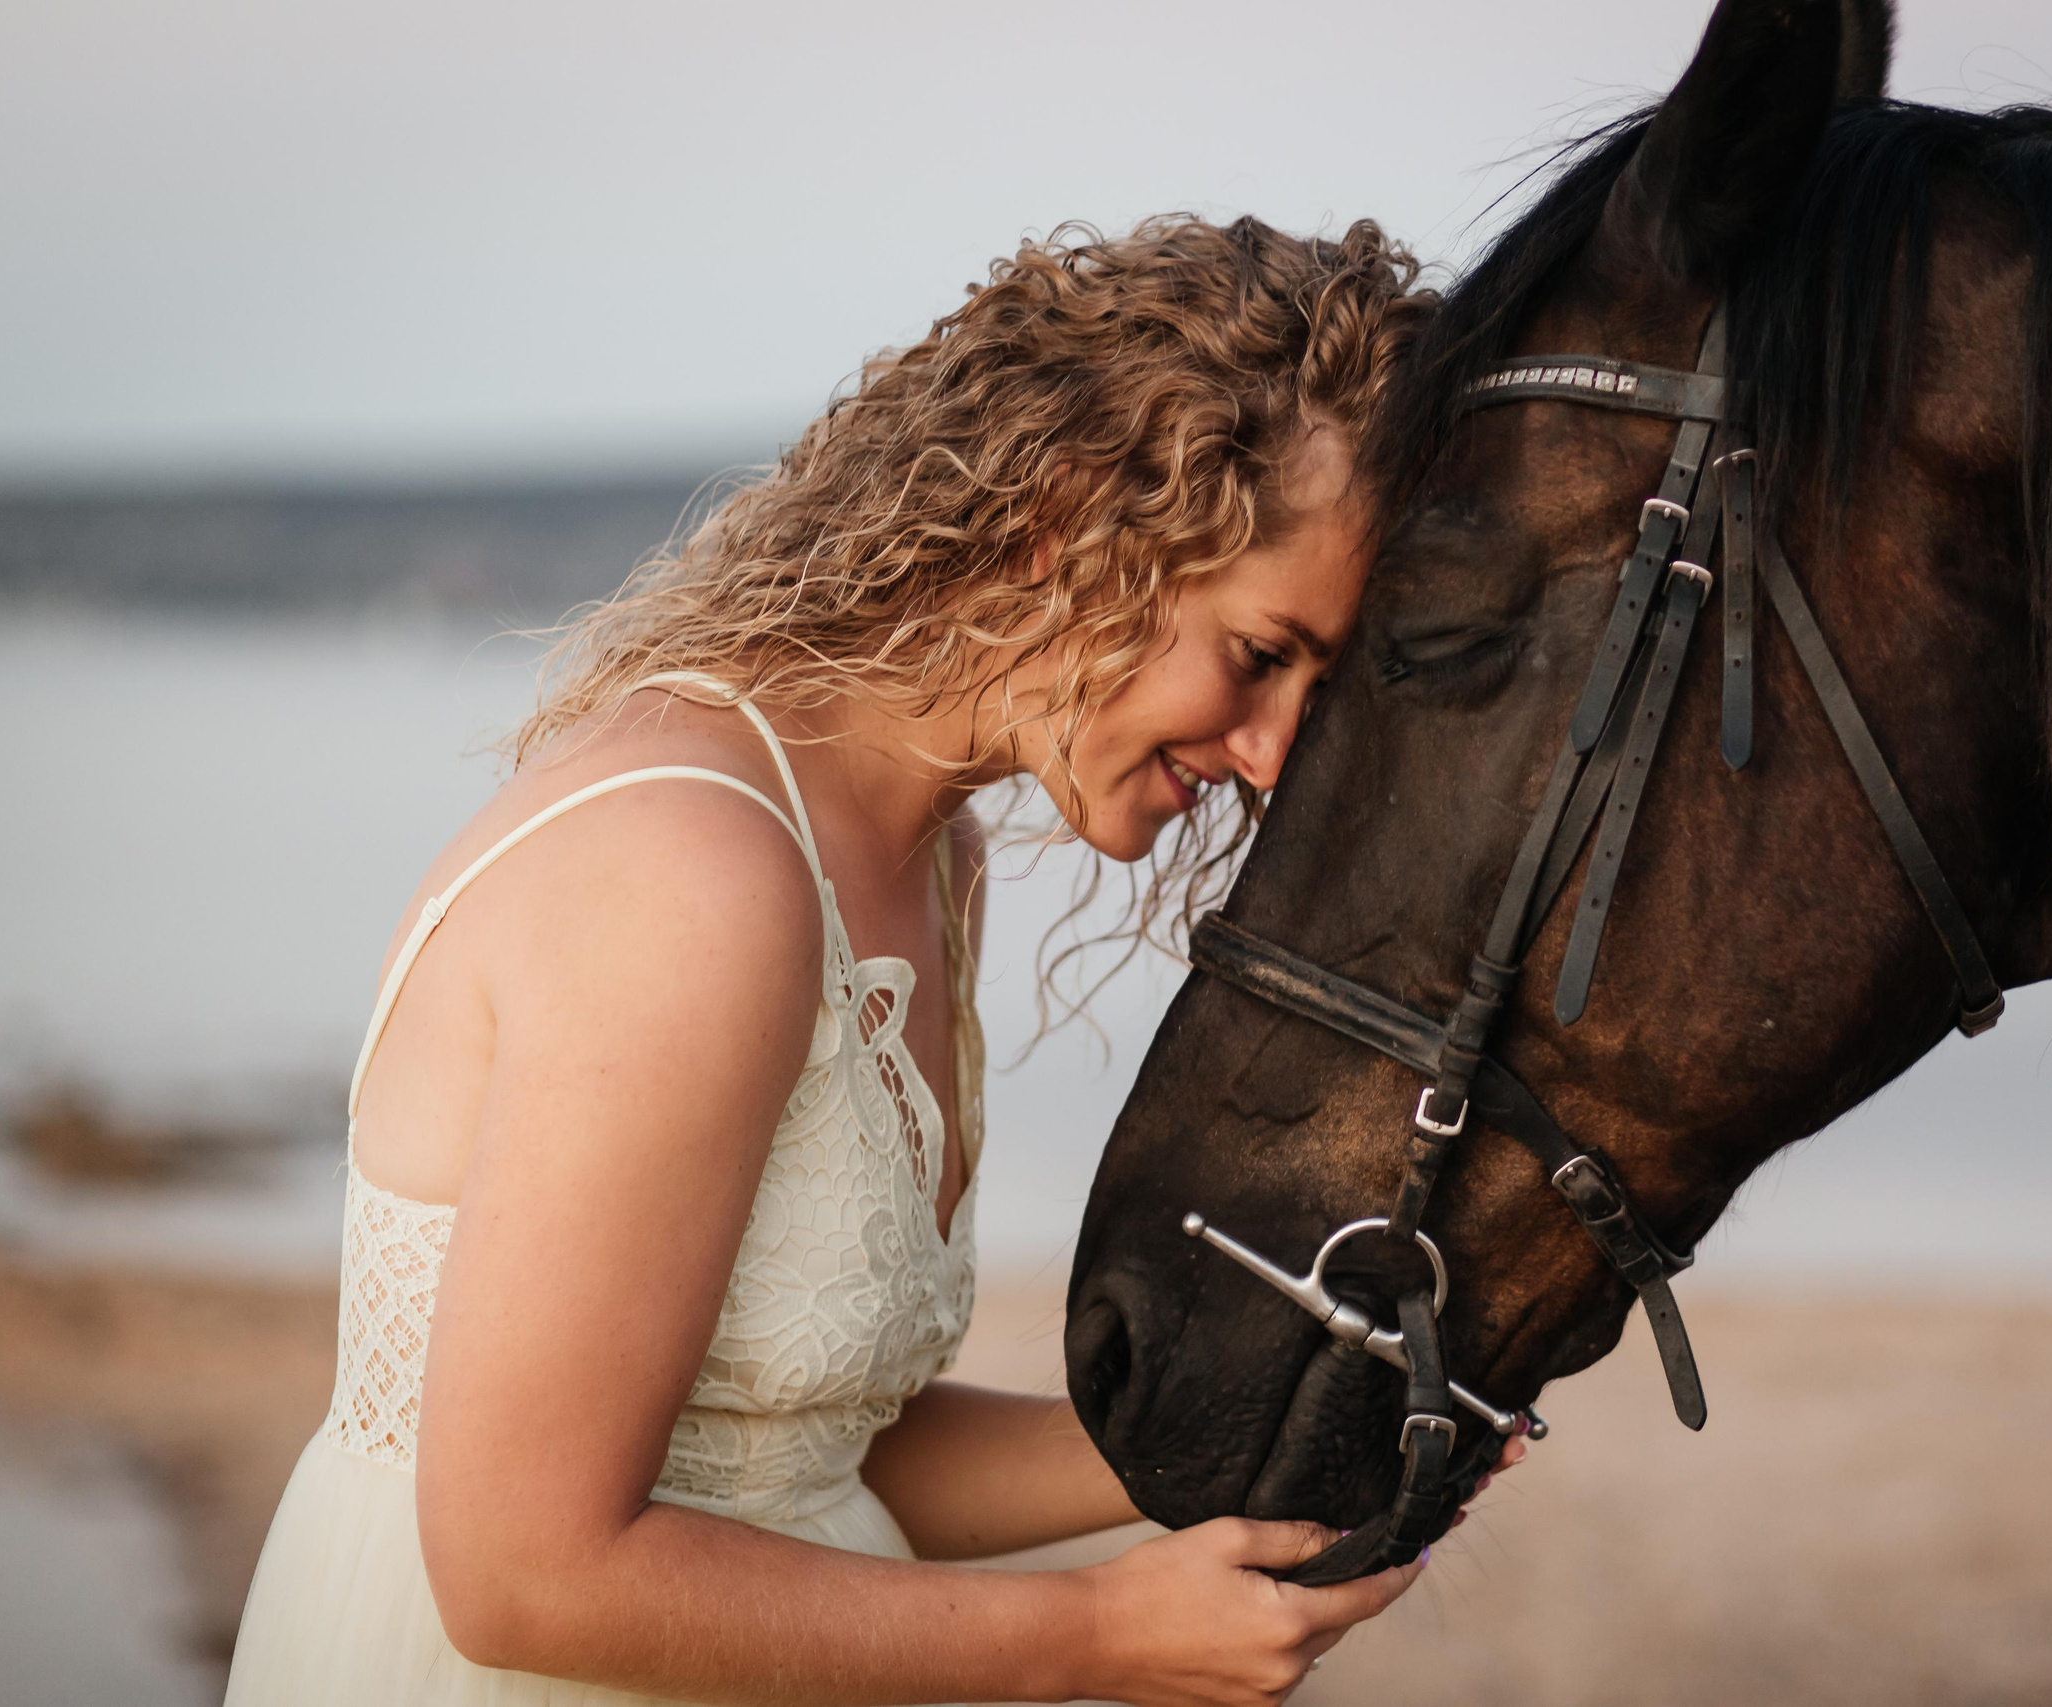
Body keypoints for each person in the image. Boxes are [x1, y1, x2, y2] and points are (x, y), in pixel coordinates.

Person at [224, 215, 1517, 1707]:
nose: (1280, 756)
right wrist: (1101, 1636)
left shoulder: (923, 860)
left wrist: (1271, 1436)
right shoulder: (694, 879)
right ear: (1070, 530)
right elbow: (522, 1574)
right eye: (1259, 653)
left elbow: (806, 1439)